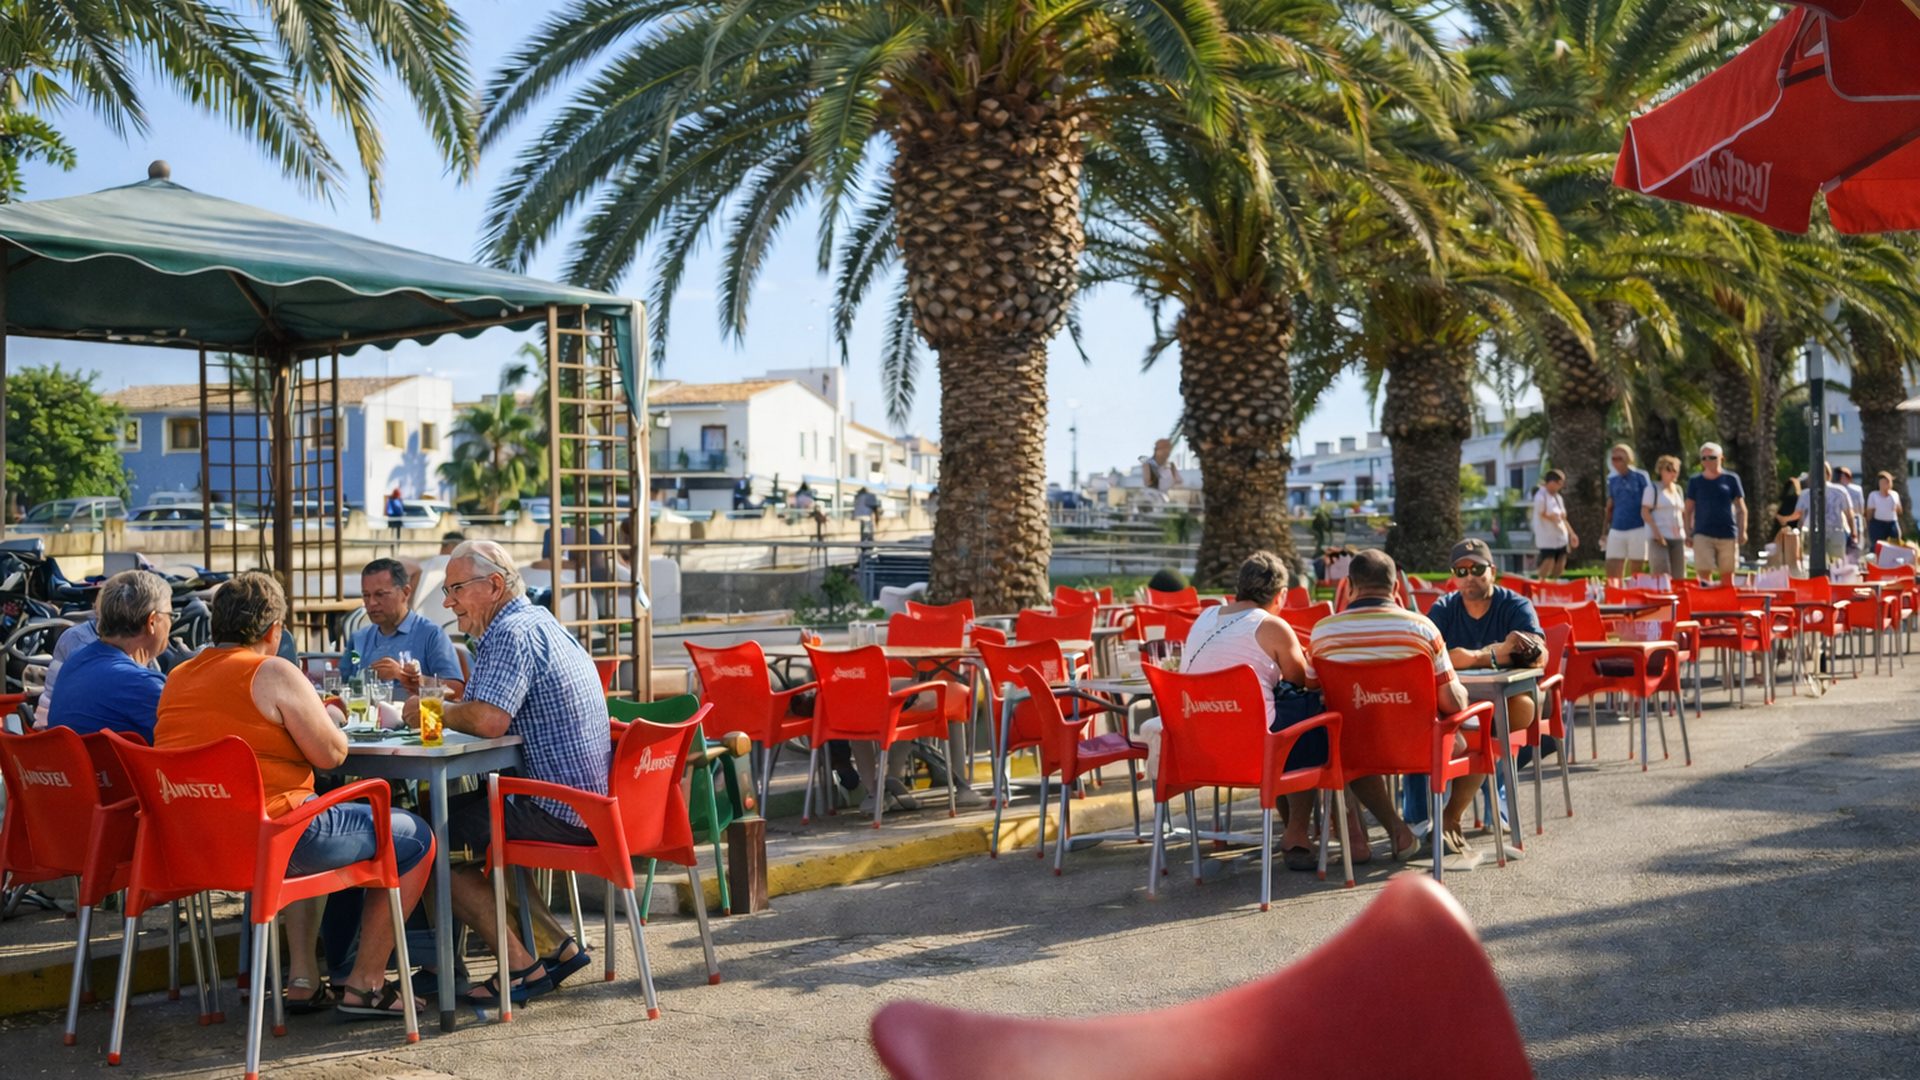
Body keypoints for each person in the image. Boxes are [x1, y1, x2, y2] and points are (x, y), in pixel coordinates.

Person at [154, 571, 432, 1018]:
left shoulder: (178, 677)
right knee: (417, 836)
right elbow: (332, 755)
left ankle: (303, 978)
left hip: (195, 844)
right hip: (274, 841)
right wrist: (329, 715)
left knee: (300, 810)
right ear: (273, 631)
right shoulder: (271, 671)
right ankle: (365, 983)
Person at [407, 540, 603, 1004]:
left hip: (555, 807)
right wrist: (451, 708)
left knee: (427, 839)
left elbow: (489, 719)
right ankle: (556, 945)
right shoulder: (540, 622)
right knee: (462, 823)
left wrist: (429, 709)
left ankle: (519, 968)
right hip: (586, 804)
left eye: (455, 589)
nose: (448, 602)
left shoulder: (509, 632)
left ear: (494, 585)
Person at [1303, 549, 1472, 862]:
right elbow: (1451, 701)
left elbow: (1313, 686)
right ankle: (1446, 821)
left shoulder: (1323, 632)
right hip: (1419, 746)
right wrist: (1462, 692)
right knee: (1474, 735)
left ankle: (1386, 830)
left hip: (1351, 748)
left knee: (1343, 738)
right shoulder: (1423, 629)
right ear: (1395, 588)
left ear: (1350, 585)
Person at [1173, 552, 1335, 870]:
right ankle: (1298, 834)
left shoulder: (1205, 617)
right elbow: (1301, 679)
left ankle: (1294, 831)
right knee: (1310, 718)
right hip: (1253, 748)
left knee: (1281, 717)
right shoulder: (1271, 625)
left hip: (1197, 745)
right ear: (1281, 595)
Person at [1420, 539, 1547, 836]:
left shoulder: (1514, 604)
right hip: (1458, 704)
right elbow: (1424, 655)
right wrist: (1501, 652)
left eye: (1477, 568)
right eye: (1461, 571)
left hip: (1510, 700)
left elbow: (1537, 654)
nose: (1469, 577)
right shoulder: (1444, 607)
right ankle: (1420, 818)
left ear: (1492, 570)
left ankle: (1452, 814)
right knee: (1425, 720)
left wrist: (1476, 656)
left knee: (1512, 714)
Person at [45, 571, 171, 743]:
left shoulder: (74, 662)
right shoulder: (142, 684)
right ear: (152, 622)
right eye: (171, 616)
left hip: (75, 767)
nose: (171, 624)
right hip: (117, 769)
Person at [339, 559, 465, 700]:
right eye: (366, 595)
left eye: (380, 594)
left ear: (405, 592)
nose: (372, 603)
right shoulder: (359, 639)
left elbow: (455, 690)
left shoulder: (431, 635)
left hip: (414, 719)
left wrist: (403, 676)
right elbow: (342, 684)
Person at [1683, 442, 1747, 581]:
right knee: (1704, 573)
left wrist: (1742, 531)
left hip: (1727, 532)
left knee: (1727, 574)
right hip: (1702, 532)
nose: (1707, 461)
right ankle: (1706, 601)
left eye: (1711, 457)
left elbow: (1741, 508)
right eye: (1703, 458)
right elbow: (1688, 510)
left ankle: (1726, 601)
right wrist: (1688, 533)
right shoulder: (1695, 481)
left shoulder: (1731, 479)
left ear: (1721, 458)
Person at [1603, 444, 1652, 580]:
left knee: (1636, 567)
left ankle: (1634, 595)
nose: (1616, 461)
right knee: (1612, 565)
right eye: (1614, 459)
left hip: (1638, 527)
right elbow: (1610, 506)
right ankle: (1615, 595)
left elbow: (1648, 503)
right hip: (1617, 527)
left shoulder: (1641, 476)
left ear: (1628, 458)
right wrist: (1604, 531)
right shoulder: (1612, 480)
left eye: (1620, 458)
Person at [1796, 462, 1854, 566]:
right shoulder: (1805, 494)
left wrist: (1853, 532)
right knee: (1814, 564)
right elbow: (1801, 516)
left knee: (1837, 563)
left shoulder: (1839, 491)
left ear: (1828, 474)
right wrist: (1800, 535)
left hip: (1835, 531)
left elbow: (1849, 513)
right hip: (1813, 533)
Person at [1640, 455, 1689, 579]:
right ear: (1661, 470)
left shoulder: (1678, 490)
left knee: (1679, 574)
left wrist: (1688, 533)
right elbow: (1645, 512)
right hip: (1659, 536)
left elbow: (1682, 512)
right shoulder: (1652, 489)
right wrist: (1657, 533)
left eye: (1675, 470)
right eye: (1668, 469)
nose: (1672, 473)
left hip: (1677, 537)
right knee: (1662, 572)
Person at [1531, 470, 1576, 579]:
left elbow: (1563, 518)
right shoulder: (1541, 496)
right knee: (1549, 560)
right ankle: (1541, 582)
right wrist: (1552, 517)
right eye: (1559, 483)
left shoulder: (1558, 498)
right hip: (1547, 535)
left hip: (1560, 535)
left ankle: (1554, 581)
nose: (1561, 487)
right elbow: (1541, 513)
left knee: (1561, 559)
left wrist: (1572, 534)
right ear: (1552, 482)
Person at [1866, 471, 1904, 550]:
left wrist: (1895, 504)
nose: (1884, 485)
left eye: (1886, 482)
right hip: (1878, 524)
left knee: (1895, 546)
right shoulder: (1873, 495)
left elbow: (1900, 511)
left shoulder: (1894, 494)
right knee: (1877, 547)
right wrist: (1869, 524)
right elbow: (1870, 511)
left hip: (1892, 523)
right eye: (1882, 483)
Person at [1772, 475, 1804, 570]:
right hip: (1790, 528)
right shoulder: (1796, 499)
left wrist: (1782, 519)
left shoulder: (1786, 500)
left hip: (1789, 528)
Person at [1836, 467, 1867, 557]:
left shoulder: (1856, 489)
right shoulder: (1838, 489)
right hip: (1842, 518)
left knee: (1855, 541)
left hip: (1854, 517)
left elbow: (1861, 505)